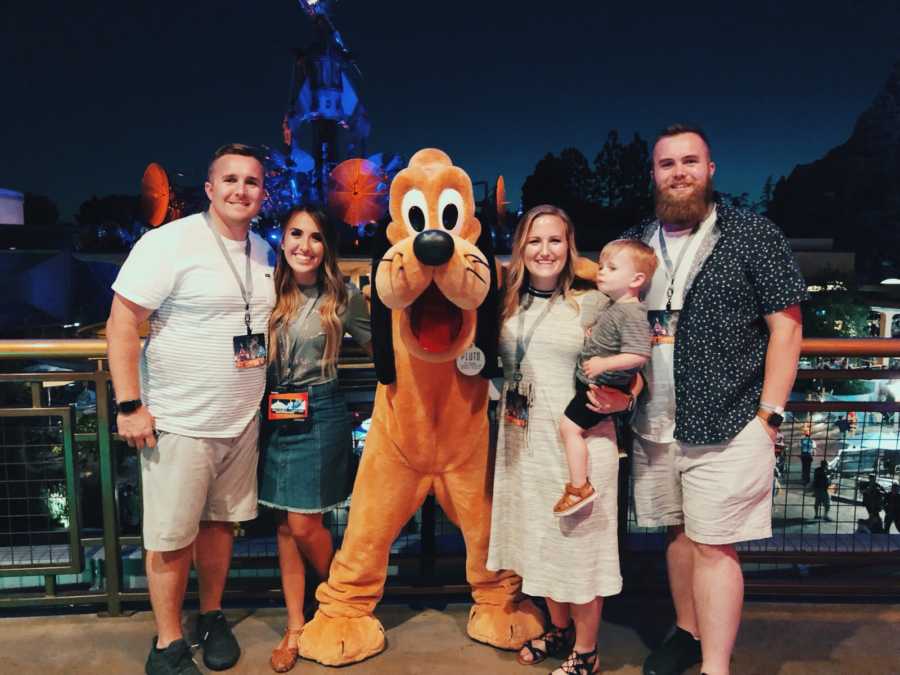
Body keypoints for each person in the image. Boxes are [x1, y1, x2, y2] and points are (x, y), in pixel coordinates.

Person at [622, 125, 806, 675]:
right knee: (679, 536)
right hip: (654, 423)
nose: (678, 173)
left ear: (710, 170)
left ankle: (716, 665)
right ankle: (687, 632)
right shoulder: (635, 241)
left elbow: (788, 327)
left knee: (715, 546)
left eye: (690, 162)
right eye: (666, 164)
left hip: (728, 420)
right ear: (653, 173)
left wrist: (768, 417)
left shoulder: (752, 234)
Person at [107, 144, 275, 674]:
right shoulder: (167, 243)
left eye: (251, 182)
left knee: (221, 524)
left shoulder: (265, 251)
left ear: (262, 193)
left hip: (242, 419)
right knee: (171, 535)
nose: (240, 190)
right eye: (229, 179)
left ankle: (211, 615)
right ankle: (168, 642)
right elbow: (121, 324)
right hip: (178, 420)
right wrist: (130, 403)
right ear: (208, 189)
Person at [488, 204, 635, 675]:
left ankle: (587, 652)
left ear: (570, 247)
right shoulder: (507, 302)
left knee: (578, 550)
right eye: (534, 240)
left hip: (580, 447)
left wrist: (627, 397)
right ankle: (560, 630)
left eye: (555, 240)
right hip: (523, 444)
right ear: (521, 247)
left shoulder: (594, 301)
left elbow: (636, 360)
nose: (544, 250)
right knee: (539, 543)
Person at [258, 207, 371, 673]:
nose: (305, 244)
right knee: (286, 526)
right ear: (282, 240)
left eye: (316, 237)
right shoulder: (263, 291)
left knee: (305, 525)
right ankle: (295, 625)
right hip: (271, 415)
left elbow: (381, 349)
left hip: (320, 411)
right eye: (296, 234)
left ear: (328, 246)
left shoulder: (343, 296)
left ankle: (343, 601)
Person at [555, 239, 655, 516]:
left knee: (569, 429)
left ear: (636, 279)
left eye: (611, 268)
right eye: (601, 266)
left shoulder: (632, 312)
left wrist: (603, 363)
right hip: (594, 380)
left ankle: (579, 487)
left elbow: (639, 354)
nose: (601, 272)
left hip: (603, 385)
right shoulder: (616, 307)